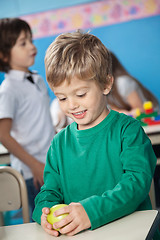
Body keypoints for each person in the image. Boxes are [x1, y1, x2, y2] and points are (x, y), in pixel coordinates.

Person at [32, 31, 159, 239]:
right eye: (62, 97)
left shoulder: (129, 130)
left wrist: (89, 212)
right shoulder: (58, 144)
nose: (72, 105)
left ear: (106, 84)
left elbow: (136, 184)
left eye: (81, 94)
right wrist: (44, 212)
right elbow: (49, 192)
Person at [0, 18, 55, 220]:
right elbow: (3, 135)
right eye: (23, 43)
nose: (32, 46)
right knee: (44, 220)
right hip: (33, 171)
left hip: (50, 162)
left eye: (30, 40)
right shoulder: (8, 89)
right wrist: (34, 165)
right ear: (4, 55)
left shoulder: (37, 78)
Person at [107, 52, 159, 117]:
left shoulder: (122, 82)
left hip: (151, 118)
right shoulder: (103, 86)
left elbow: (140, 109)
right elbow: (113, 110)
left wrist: (126, 114)